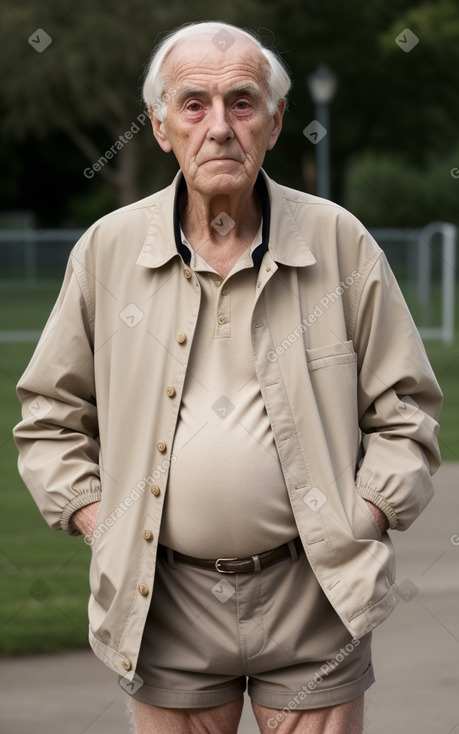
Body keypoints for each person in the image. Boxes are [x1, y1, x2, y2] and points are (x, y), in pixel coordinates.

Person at [13, 20, 442, 734]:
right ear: (158, 125)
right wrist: (103, 524)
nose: (219, 127)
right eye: (194, 105)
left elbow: (406, 411)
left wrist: (362, 516)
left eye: (242, 103)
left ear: (274, 124)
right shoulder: (106, 253)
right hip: (163, 601)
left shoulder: (339, 241)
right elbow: (49, 418)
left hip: (316, 595)